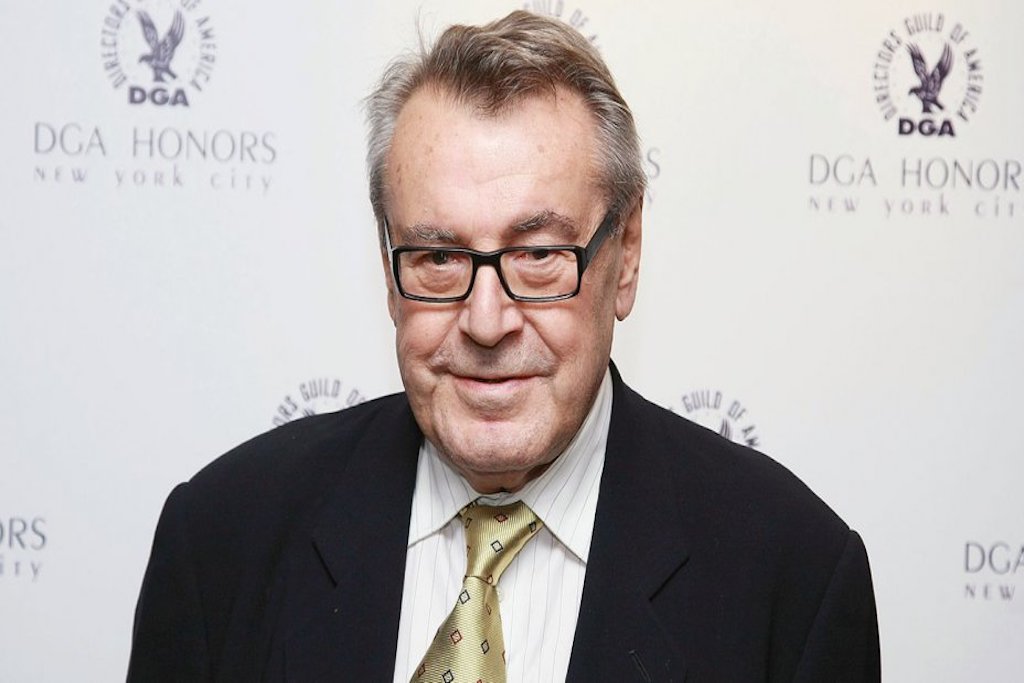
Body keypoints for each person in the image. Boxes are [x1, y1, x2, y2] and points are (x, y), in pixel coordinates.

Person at [128, 10, 880, 682]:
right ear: (388, 271)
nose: (486, 322)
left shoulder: (795, 579)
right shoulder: (221, 540)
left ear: (626, 254)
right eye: (438, 256)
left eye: (539, 255)